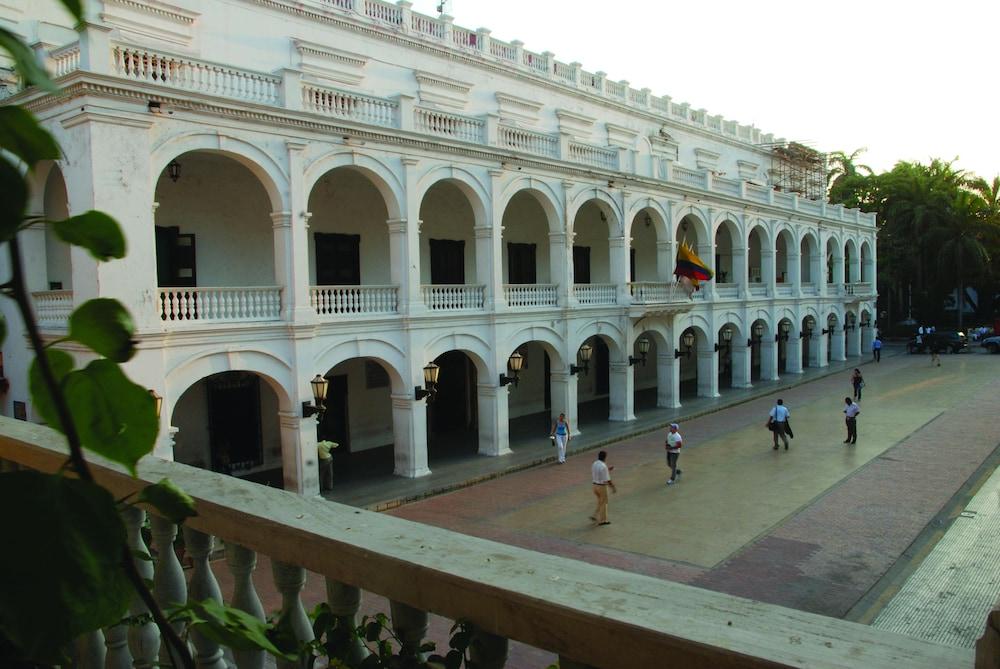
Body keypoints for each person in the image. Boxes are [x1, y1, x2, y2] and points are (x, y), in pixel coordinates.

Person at [590, 451, 616, 526]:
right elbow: (607, 480)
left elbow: (599, 472)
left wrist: (608, 469)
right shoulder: (603, 466)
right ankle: (603, 520)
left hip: (594, 486)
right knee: (604, 502)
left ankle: (594, 515)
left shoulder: (594, 463)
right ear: (605, 457)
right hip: (601, 487)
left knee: (600, 501)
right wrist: (613, 487)